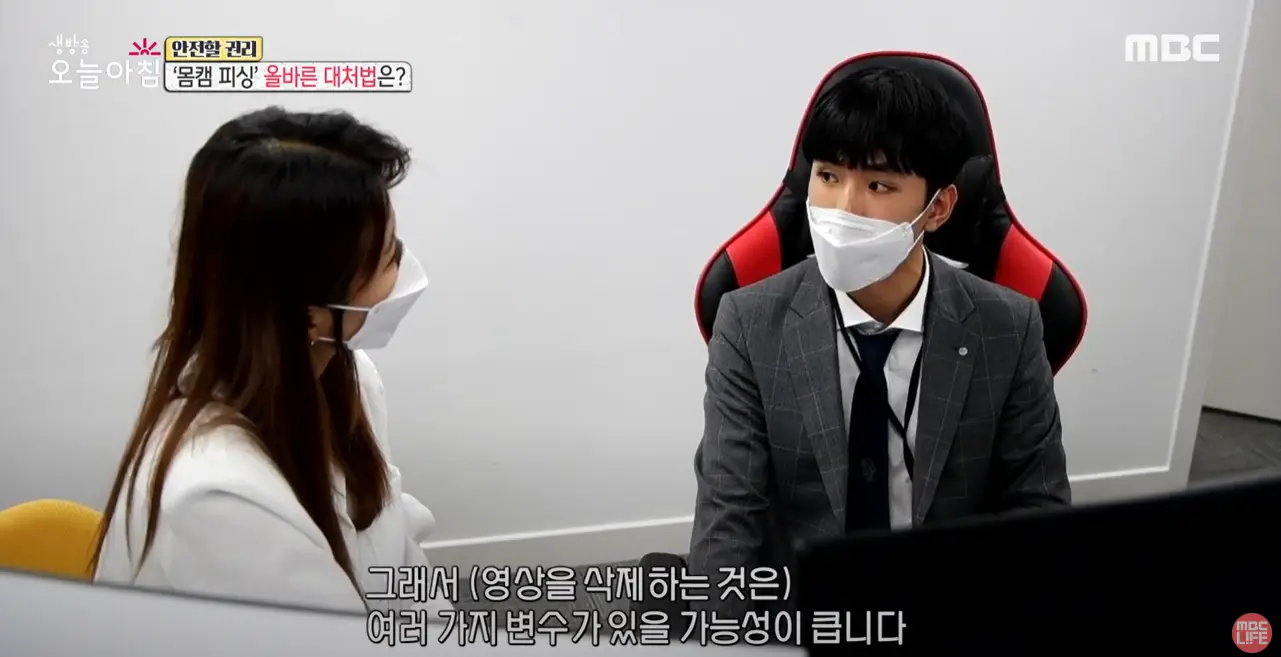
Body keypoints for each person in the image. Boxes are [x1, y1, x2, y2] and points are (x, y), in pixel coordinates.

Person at [688, 67, 1071, 618]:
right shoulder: (748, 323)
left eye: (879, 186)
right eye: (828, 176)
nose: (844, 208)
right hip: (804, 608)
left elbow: (1037, 508)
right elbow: (728, 519)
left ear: (938, 208)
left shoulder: (1009, 328)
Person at [92, 107, 452, 617]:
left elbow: (395, 546)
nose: (405, 268)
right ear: (309, 316)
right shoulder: (218, 497)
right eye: (388, 257)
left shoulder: (347, 379)